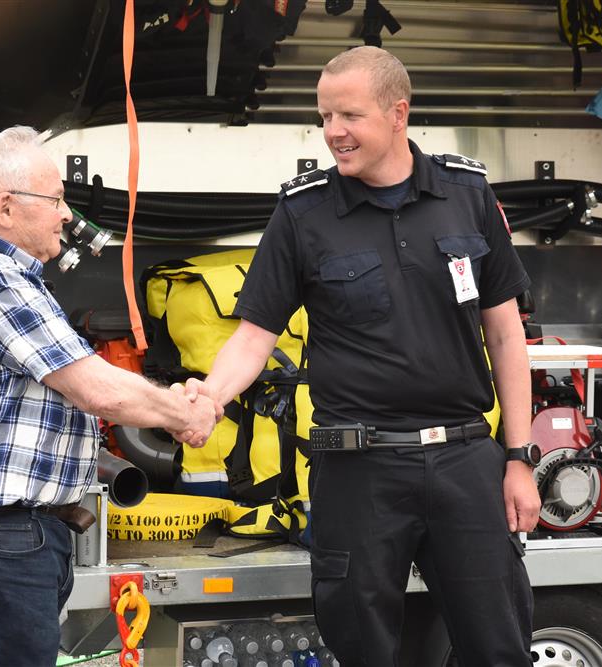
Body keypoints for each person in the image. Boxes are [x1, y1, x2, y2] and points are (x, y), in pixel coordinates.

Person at [185, 47, 540, 666]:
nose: (332, 133)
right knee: (363, 650)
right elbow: (253, 336)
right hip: (357, 470)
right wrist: (209, 399)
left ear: (398, 114)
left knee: (498, 648)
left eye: (348, 116)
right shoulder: (303, 213)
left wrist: (518, 458)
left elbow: (507, 335)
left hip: (465, 464)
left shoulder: (467, 195)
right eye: (324, 117)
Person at [0, 125, 216, 666]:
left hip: (3, 534)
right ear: (5, 208)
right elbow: (96, 389)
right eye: (56, 199)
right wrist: (183, 412)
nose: (67, 214)